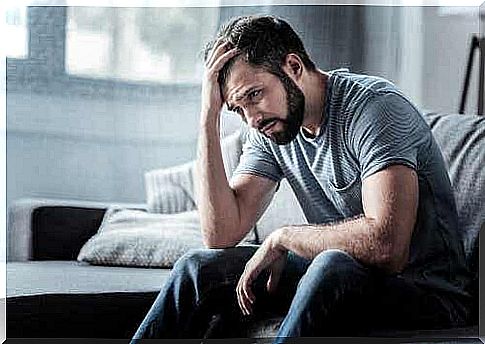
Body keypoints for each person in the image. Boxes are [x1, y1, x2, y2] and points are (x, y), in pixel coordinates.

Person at [131, 15, 472, 342]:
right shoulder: (271, 129)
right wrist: (208, 117)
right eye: (238, 109)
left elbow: (387, 247)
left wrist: (285, 237)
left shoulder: (374, 109)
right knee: (197, 269)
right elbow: (221, 233)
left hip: (429, 294)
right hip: (340, 277)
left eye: (254, 94)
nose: (251, 119)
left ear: (293, 67)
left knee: (330, 264)